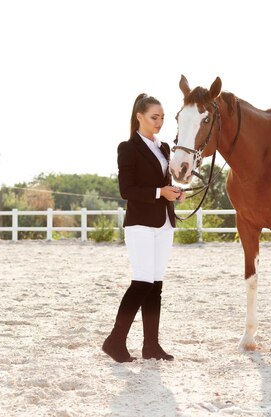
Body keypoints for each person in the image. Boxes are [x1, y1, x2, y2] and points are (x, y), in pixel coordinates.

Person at [102, 93, 185, 363]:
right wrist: (161, 192)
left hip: (163, 223)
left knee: (155, 285)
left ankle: (151, 346)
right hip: (140, 224)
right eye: (154, 117)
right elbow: (127, 190)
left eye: (162, 117)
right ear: (140, 116)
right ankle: (115, 341)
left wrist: (174, 192)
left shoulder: (163, 149)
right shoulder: (127, 148)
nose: (159, 122)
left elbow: (162, 186)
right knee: (141, 283)